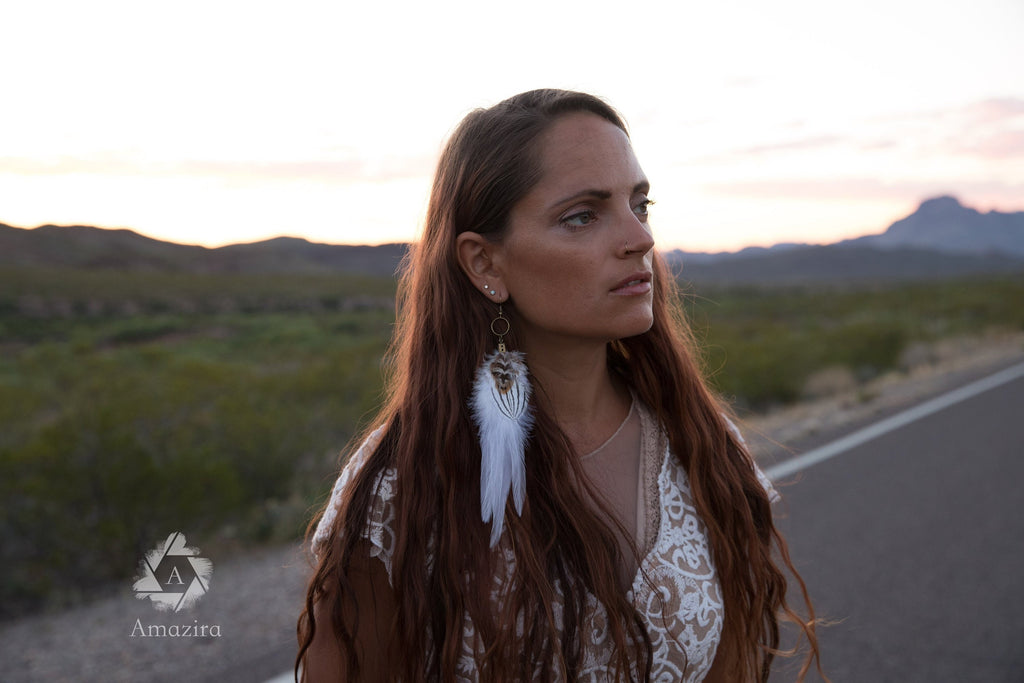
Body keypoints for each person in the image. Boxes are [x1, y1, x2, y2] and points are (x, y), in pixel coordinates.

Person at [297, 89, 823, 682]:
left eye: (640, 205)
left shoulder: (701, 444)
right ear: (485, 264)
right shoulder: (403, 482)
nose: (640, 239)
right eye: (583, 215)